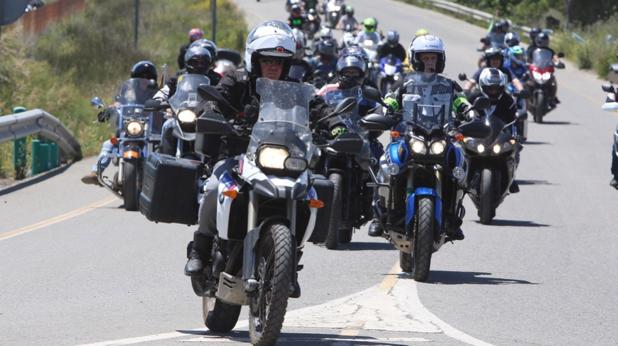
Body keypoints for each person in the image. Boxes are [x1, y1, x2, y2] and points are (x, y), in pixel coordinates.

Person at [185, 21, 329, 294]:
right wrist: (212, 110)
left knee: (309, 193)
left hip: (284, 159)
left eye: (279, 61)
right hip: (238, 156)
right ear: (255, 60)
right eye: (267, 60)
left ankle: (290, 261)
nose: (273, 66)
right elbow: (216, 97)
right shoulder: (237, 80)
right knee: (214, 188)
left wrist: (336, 124)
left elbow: (319, 108)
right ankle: (201, 249)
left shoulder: (296, 88)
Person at [368, 34, 472, 240]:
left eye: (433, 58)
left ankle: (452, 218)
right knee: (386, 164)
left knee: (459, 166)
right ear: (416, 59)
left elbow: (462, 103)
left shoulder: (449, 85)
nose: (429, 62)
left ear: (440, 60)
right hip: (409, 135)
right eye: (425, 58)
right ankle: (379, 217)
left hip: (440, 137)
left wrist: (470, 114)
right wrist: (385, 111)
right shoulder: (404, 82)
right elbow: (390, 101)